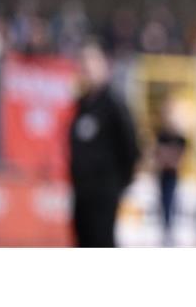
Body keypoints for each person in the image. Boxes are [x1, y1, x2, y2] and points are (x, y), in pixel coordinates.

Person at [69, 40, 140, 247]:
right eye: (83, 64)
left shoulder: (113, 103)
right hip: (82, 191)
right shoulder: (82, 105)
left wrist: (119, 182)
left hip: (105, 191)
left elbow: (130, 145)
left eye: (91, 62)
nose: (87, 69)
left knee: (101, 240)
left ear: (103, 65)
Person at [153, 98, 187, 247]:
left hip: (172, 175)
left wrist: (169, 158)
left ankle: (170, 231)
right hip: (163, 174)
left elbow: (178, 157)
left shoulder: (179, 137)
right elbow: (159, 155)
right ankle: (166, 231)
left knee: (171, 202)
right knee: (163, 203)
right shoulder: (162, 135)